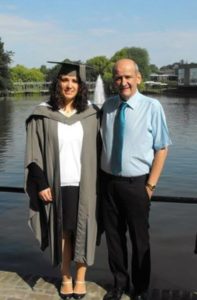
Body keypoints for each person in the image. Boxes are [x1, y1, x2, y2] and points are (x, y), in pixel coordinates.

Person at [25, 61, 100, 300]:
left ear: (81, 86)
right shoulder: (43, 113)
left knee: (84, 230)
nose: (69, 85)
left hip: (86, 184)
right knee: (63, 232)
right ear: (58, 82)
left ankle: (81, 278)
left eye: (74, 81)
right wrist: (41, 183)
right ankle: (66, 277)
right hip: (57, 184)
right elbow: (33, 152)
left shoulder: (91, 114)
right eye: (65, 80)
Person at [100, 58, 172, 300]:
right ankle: (120, 284)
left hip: (137, 184)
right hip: (109, 183)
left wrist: (150, 185)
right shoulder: (107, 107)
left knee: (140, 239)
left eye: (128, 77)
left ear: (138, 78)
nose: (124, 82)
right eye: (119, 77)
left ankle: (140, 289)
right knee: (114, 237)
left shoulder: (152, 107)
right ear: (113, 80)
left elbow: (162, 148)